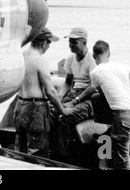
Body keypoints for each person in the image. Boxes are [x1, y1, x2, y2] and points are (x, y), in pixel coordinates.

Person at [14, 27, 72, 158]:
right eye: (49, 43)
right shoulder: (40, 60)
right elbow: (50, 90)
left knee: (19, 149)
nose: (49, 47)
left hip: (20, 105)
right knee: (37, 150)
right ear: (43, 42)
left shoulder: (21, 56)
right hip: (36, 109)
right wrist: (62, 110)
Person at [90, 40, 130, 170]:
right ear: (109, 53)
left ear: (93, 56)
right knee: (121, 152)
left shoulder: (95, 72)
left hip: (120, 116)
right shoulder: (122, 67)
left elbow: (99, 93)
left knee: (121, 159)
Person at [50, 27, 97, 163]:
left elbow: (93, 87)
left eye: (74, 42)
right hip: (75, 92)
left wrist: (74, 102)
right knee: (52, 111)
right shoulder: (71, 58)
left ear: (84, 42)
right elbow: (68, 82)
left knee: (66, 117)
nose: (71, 45)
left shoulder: (91, 60)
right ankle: (52, 150)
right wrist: (58, 97)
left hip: (89, 98)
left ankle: (64, 156)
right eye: (70, 42)